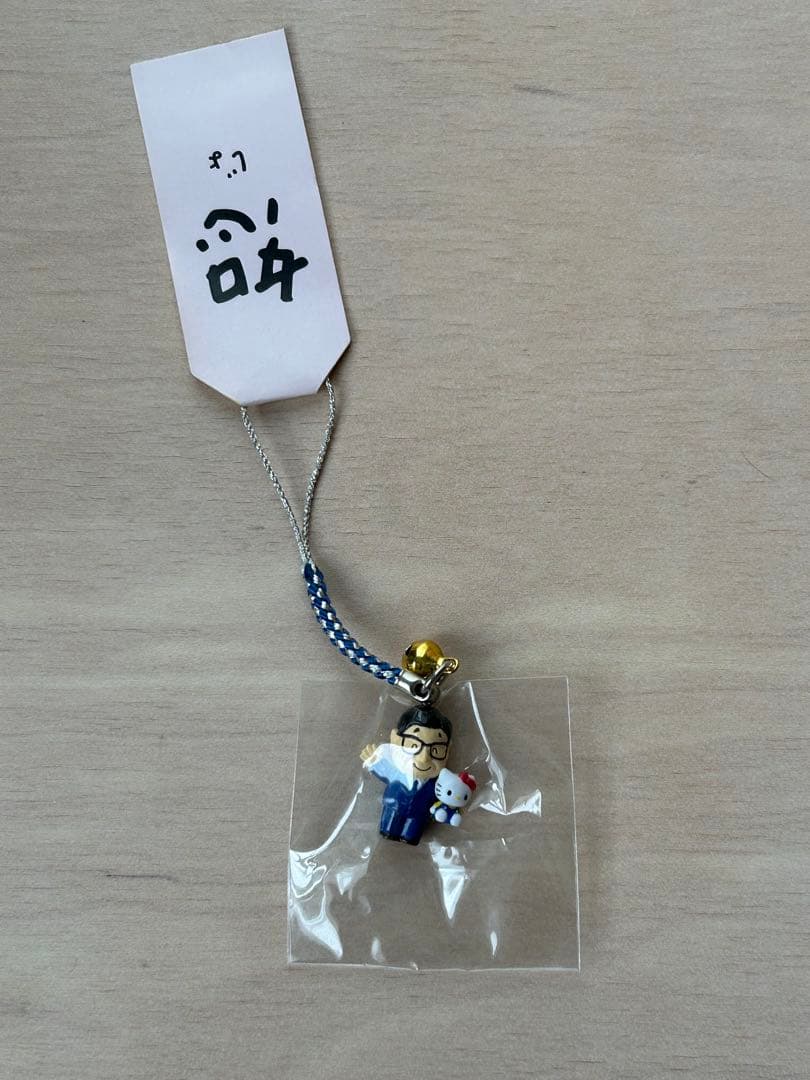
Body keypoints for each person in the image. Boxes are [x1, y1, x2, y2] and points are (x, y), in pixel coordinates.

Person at [360, 705, 453, 845]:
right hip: (394, 806)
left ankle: (409, 837)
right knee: (388, 829)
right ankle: (388, 832)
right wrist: (373, 761)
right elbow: (385, 772)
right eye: (414, 746)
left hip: (419, 815)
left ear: (448, 750)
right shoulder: (398, 773)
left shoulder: (437, 785)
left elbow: (445, 796)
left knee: (411, 833)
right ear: (396, 741)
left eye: (436, 750)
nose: (424, 758)